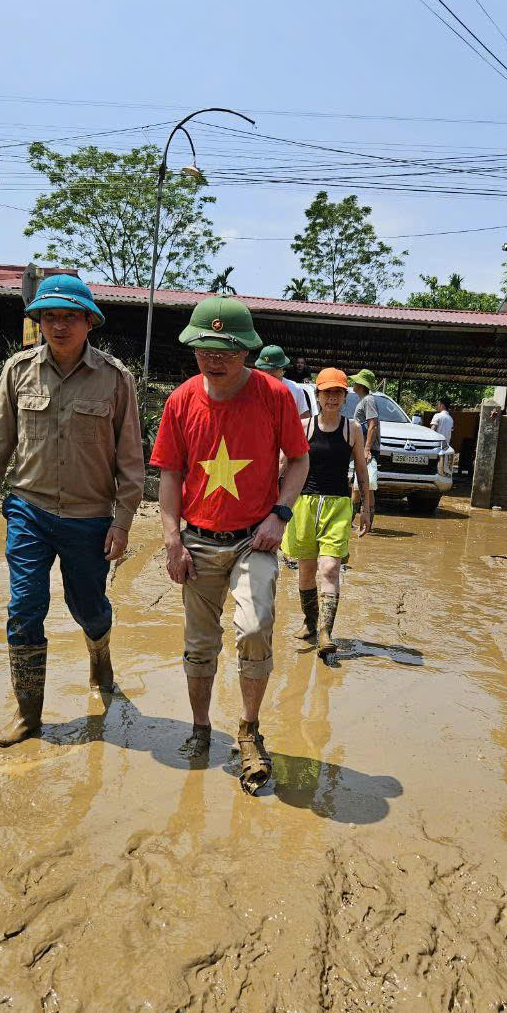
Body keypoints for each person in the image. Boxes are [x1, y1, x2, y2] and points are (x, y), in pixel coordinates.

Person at [0, 272, 145, 747]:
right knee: (25, 607)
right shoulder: (17, 371)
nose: (59, 326)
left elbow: (131, 461)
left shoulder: (115, 378)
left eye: (70, 317)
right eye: (49, 317)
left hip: (89, 516)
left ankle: (99, 654)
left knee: (87, 606)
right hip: (29, 509)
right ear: (39, 322)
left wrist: (122, 522)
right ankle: (29, 716)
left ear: (90, 322)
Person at [150, 296, 310, 794]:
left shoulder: (272, 395)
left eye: (226, 350)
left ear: (247, 351)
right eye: (205, 348)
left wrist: (280, 514)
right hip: (196, 541)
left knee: (255, 626)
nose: (214, 359)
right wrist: (172, 542)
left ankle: (248, 729)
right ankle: (200, 729)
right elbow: (170, 475)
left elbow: (299, 461)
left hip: (253, 540)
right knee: (199, 646)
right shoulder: (179, 401)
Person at [282, 368, 370, 660]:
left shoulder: (352, 429)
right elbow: (283, 463)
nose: (332, 398)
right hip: (304, 505)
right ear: (317, 396)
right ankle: (310, 623)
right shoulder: (304, 426)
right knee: (306, 571)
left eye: (338, 393)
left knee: (330, 568)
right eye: (326, 392)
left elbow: (360, 470)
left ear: (345, 397)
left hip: (338, 506)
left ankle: (325, 632)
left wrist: (366, 508)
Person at [348, 368, 380, 530]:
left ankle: (351, 523)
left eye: (355, 382)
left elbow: (372, 425)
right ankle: (356, 523)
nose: (353, 384)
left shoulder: (369, 400)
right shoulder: (364, 400)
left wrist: (366, 449)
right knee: (362, 486)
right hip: (360, 449)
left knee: (364, 487)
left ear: (361, 384)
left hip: (366, 451)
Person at [255, 343, 311, 416]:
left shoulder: (295, 389)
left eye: (273, 369)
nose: (269, 373)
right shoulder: (253, 389)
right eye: (265, 369)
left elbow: (305, 419)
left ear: (282, 367)